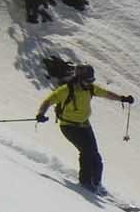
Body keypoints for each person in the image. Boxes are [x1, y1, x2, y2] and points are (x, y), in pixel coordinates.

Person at [36, 64, 134, 192]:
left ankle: (96, 183)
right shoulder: (66, 90)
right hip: (69, 126)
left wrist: (122, 98)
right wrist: (40, 114)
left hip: (85, 125)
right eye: (87, 80)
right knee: (87, 152)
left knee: (96, 157)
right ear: (79, 78)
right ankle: (86, 182)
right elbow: (48, 101)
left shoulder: (90, 89)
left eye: (92, 80)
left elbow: (106, 94)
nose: (90, 83)